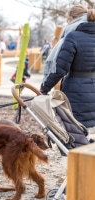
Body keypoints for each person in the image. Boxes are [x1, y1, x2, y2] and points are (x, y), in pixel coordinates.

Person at [40, 5, 95, 136]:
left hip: (75, 91)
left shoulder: (72, 36)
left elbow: (60, 70)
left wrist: (44, 89)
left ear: (71, 18)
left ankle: (74, 155)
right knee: (90, 132)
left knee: (75, 131)